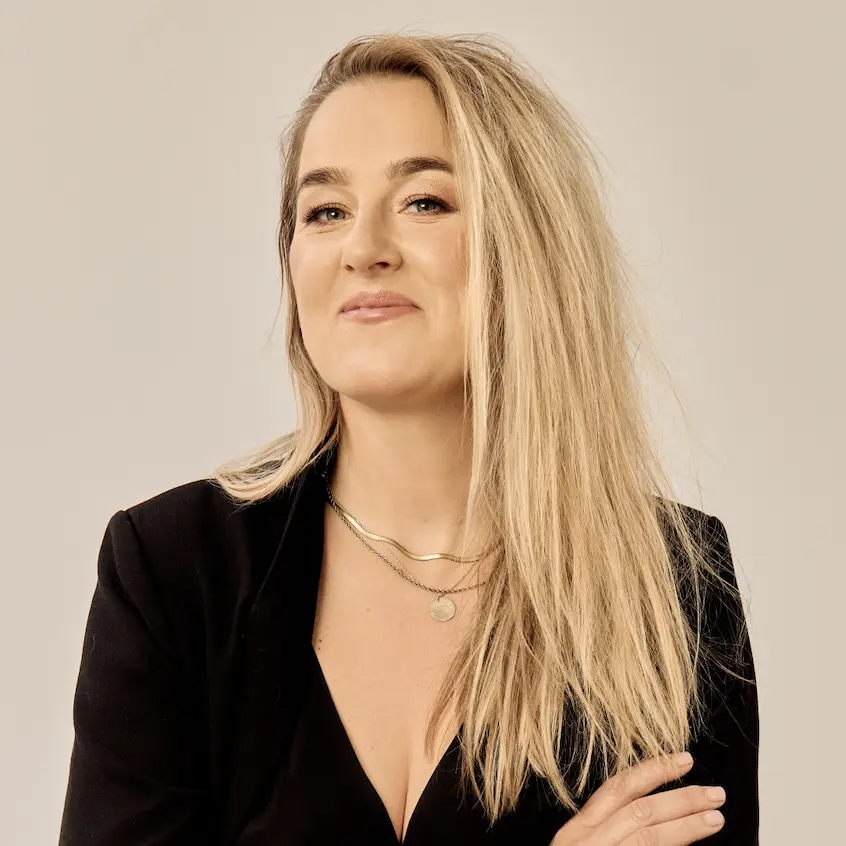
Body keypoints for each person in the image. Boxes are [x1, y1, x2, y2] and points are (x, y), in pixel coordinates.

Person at [58, 32, 758, 846]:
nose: (363, 250)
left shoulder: (671, 587)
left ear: (526, 242)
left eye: (423, 202)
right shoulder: (175, 568)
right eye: (326, 211)